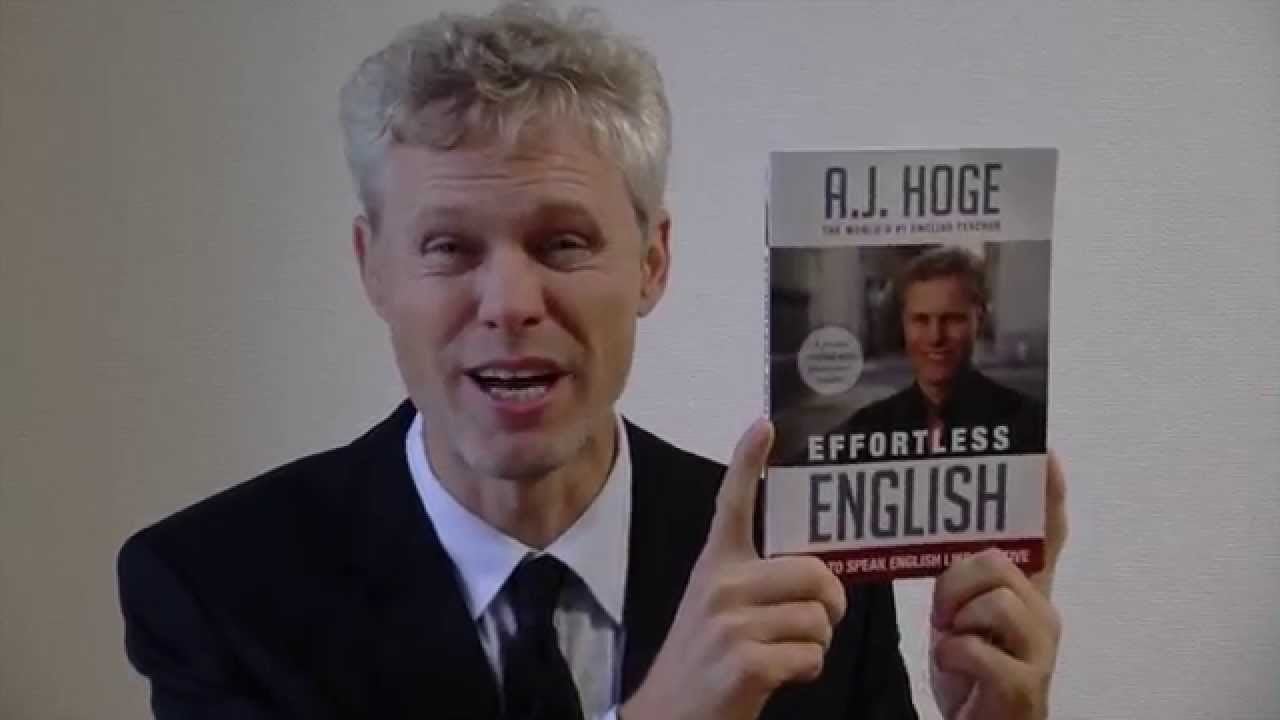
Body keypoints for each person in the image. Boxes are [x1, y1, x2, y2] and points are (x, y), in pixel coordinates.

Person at [116, 3, 1068, 719]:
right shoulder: (214, 589)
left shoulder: (811, 563)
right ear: (373, 269)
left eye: (563, 243)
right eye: (449, 247)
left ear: (652, 262)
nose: (511, 303)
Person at [834, 246, 1047, 460]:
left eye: (952, 319)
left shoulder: (1032, 426)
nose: (935, 337)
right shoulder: (864, 430)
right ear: (904, 324)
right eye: (921, 320)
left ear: (980, 320)